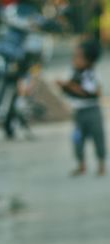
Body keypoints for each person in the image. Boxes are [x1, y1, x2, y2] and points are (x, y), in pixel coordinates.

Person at [56, 39, 106, 176]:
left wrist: (70, 87)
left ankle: (101, 164)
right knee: (78, 139)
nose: (74, 60)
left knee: (98, 137)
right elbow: (69, 91)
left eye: (78, 57)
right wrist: (64, 87)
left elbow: (93, 93)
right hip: (79, 112)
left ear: (89, 61)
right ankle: (81, 164)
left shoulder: (92, 75)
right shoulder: (73, 73)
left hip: (92, 111)